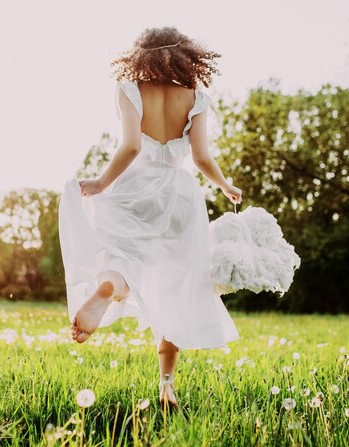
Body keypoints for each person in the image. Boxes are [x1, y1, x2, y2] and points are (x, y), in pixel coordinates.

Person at [58, 26, 242, 409]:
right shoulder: (196, 98)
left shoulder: (128, 90)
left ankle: (110, 286)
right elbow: (202, 157)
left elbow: (130, 147)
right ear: (187, 56)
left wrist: (102, 184)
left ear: (141, 54)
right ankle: (166, 385)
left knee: (122, 258)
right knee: (177, 288)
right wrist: (224, 186)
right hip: (180, 197)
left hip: (135, 188)